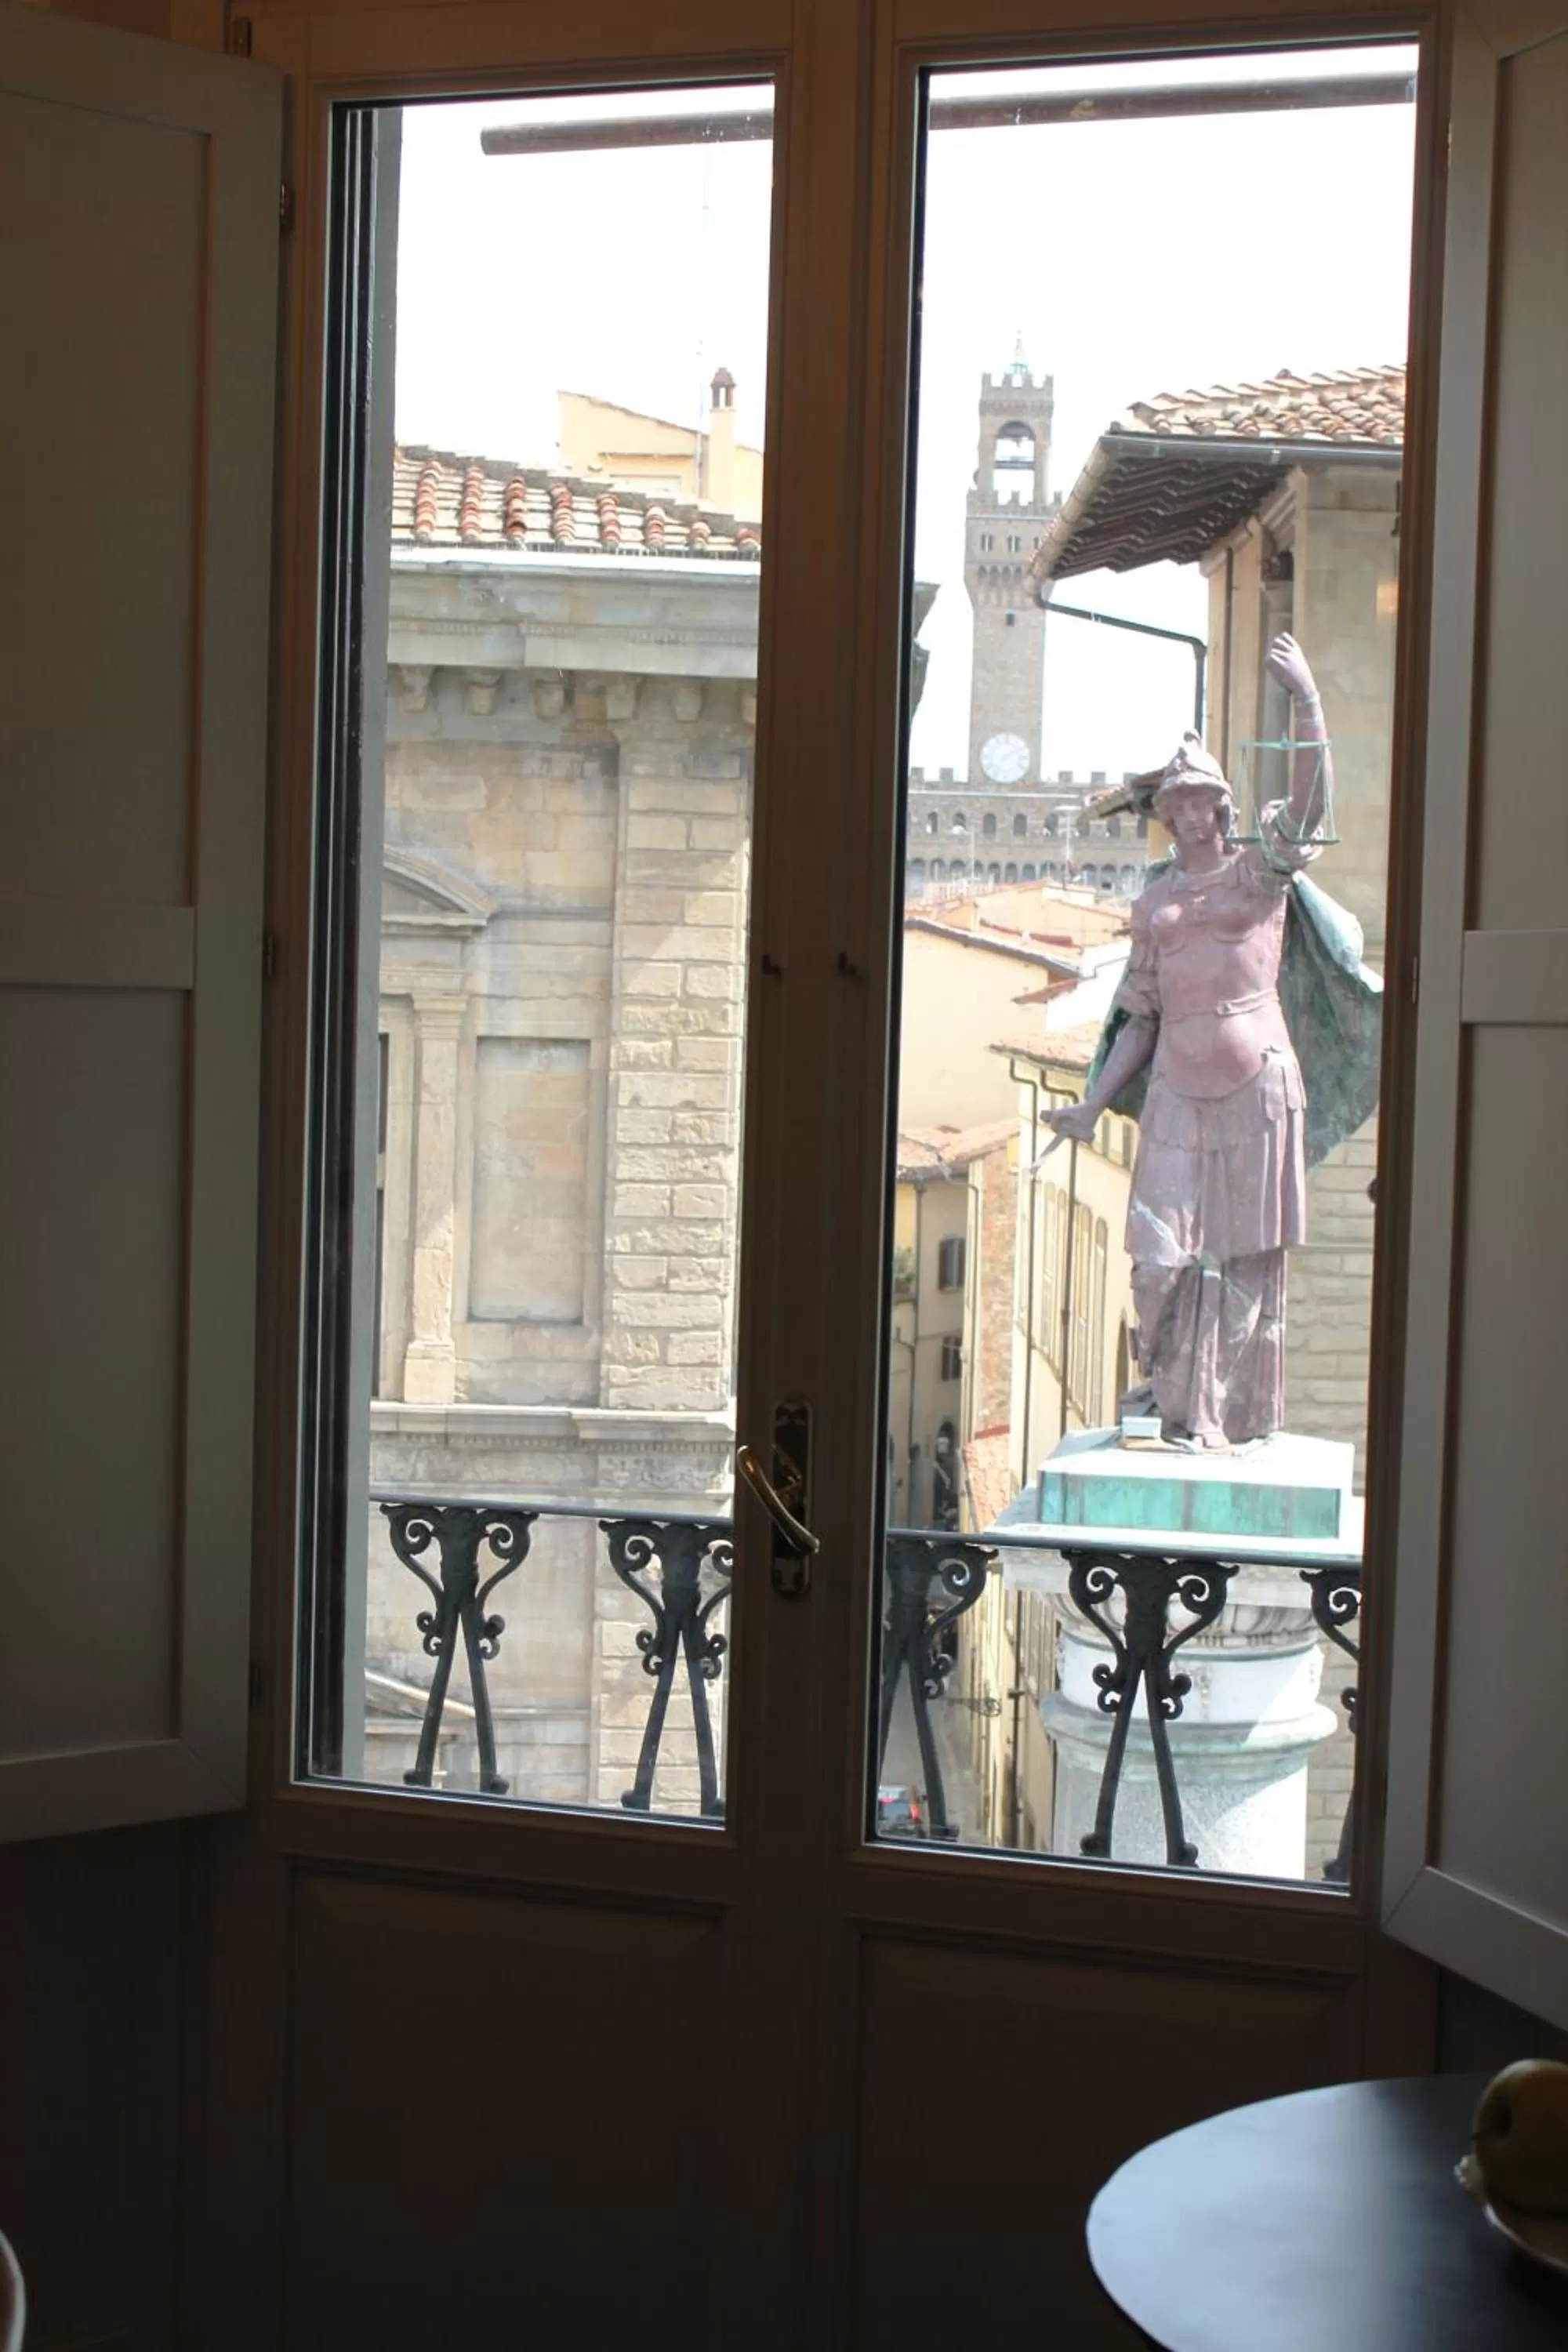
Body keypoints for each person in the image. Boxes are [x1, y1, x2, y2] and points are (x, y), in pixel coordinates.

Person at [1039, 634, 1373, 1450]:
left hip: (1258, 1089)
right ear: (1166, 816)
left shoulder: (1257, 876)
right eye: (1177, 802)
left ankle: (1215, 1412)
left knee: (1241, 1262)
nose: (1190, 813)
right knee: (1157, 1264)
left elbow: (1308, 809)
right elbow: (1141, 1013)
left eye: (1202, 800)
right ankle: (1163, 1386)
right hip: (1175, 1095)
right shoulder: (1154, 905)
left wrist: (1306, 702)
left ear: (1221, 808)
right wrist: (1088, 1103)